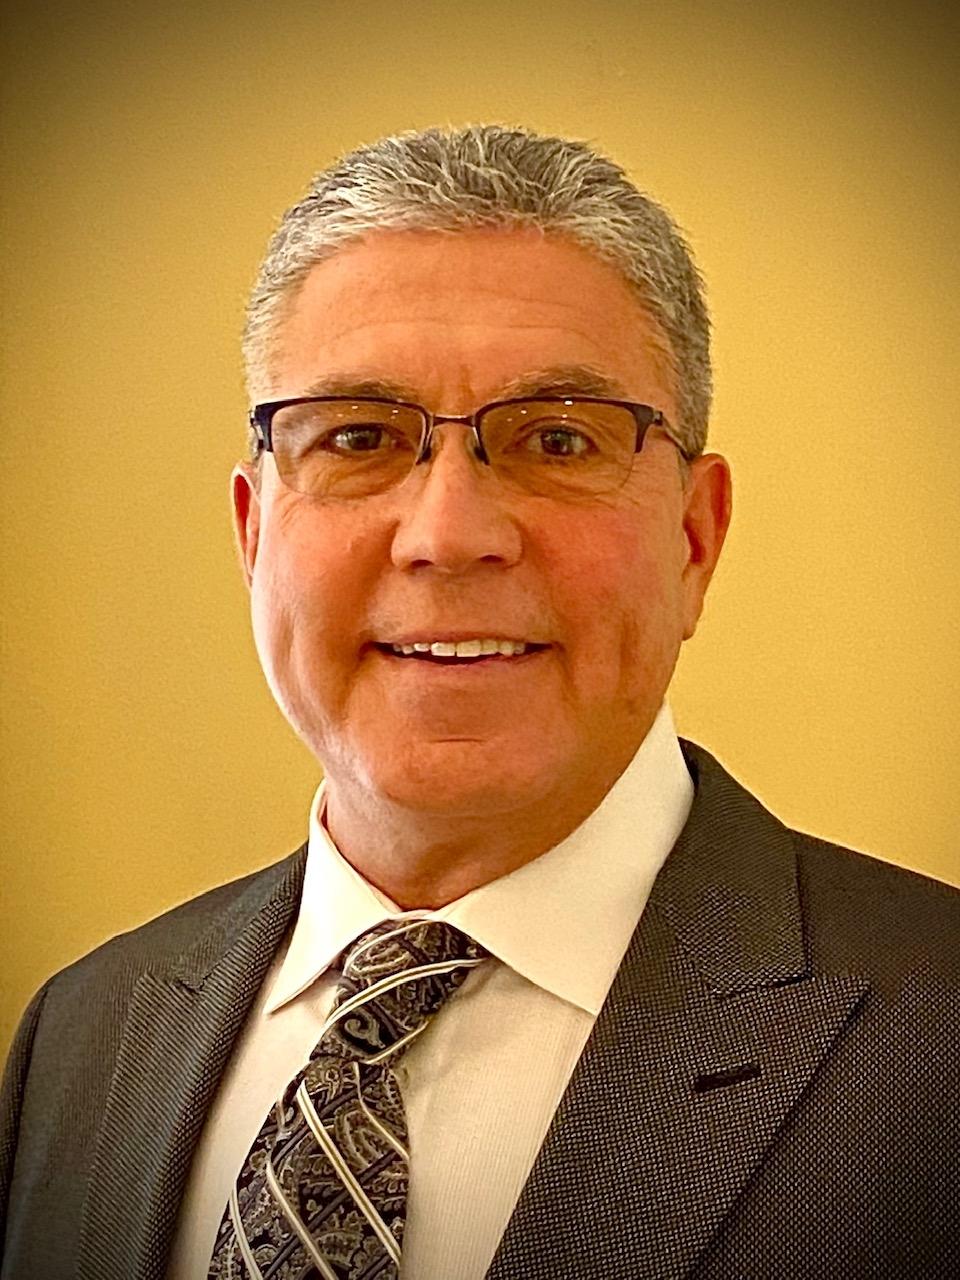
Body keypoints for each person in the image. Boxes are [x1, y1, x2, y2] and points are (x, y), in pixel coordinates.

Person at [1, 124, 957, 1280]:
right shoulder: (82, 1033)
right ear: (254, 536)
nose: (448, 535)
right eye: (359, 436)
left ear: (694, 539)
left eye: (557, 438)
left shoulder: (937, 1037)